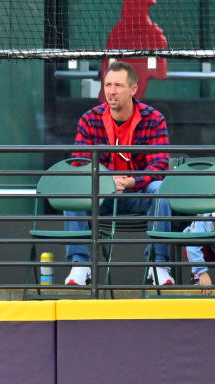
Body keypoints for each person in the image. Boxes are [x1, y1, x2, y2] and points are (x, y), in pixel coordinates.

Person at [62, 60, 173, 286]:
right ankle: (80, 265)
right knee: (75, 190)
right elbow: (79, 165)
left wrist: (132, 181)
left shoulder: (154, 119)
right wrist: (106, 180)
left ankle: (158, 265)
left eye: (119, 85)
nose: (111, 91)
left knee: (160, 189)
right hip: (101, 195)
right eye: (108, 84)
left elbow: (160, 167)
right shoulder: (90, 119)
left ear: (133, 90)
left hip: (137, 193)